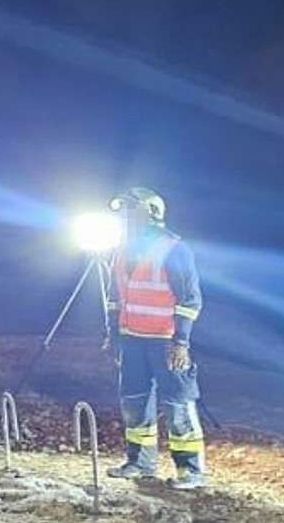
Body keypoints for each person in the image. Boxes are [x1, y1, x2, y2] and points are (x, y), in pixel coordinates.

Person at [104, 187, 205, 488]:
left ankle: (190, 471)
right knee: (134, 404)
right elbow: (114, 298)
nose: (124, 218)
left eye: (130, 211)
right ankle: (140, 462)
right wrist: (113, 335)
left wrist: (181, 342)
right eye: (122, 212)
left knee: (178, 405)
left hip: (166, 342)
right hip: (132, 340)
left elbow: (190, 300)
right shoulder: (121, 250)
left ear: (151, 214)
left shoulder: (174, 249)